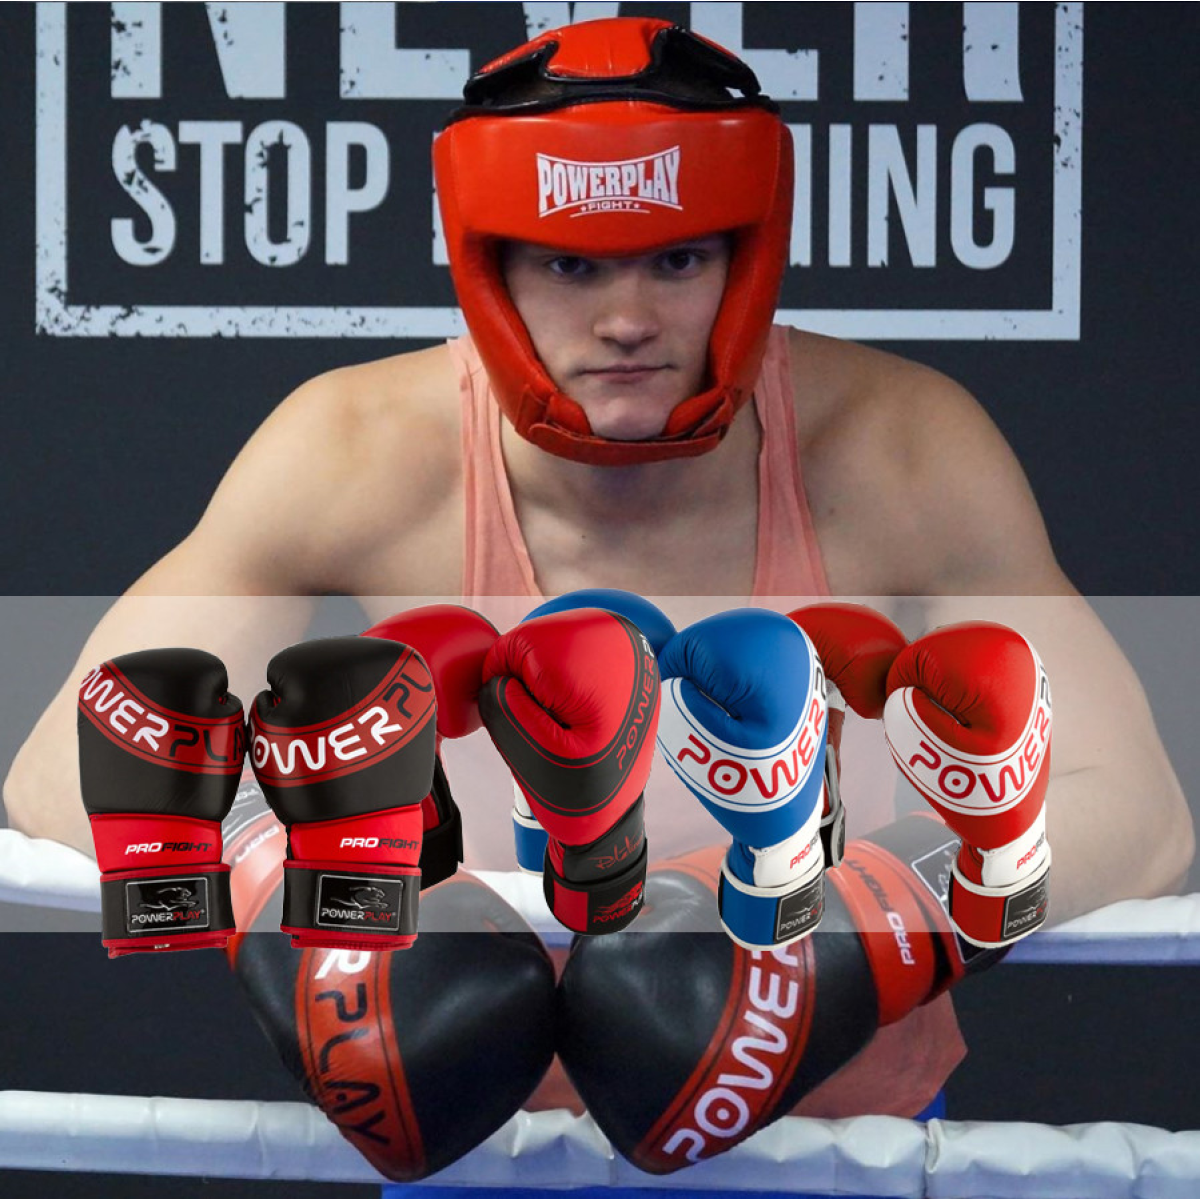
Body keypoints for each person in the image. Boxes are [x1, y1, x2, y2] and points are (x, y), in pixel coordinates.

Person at [3, 11, 1192, 1181]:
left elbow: (1140, 812)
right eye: (570, 264)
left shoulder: (900, 448)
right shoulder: (354, 448)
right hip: (466, 1135)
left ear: (746, 254)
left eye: (677, 260)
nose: (627, 321)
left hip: (839, 1141)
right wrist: (299, 876)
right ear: (492, 266)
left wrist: (861, 921)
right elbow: (61, 765)